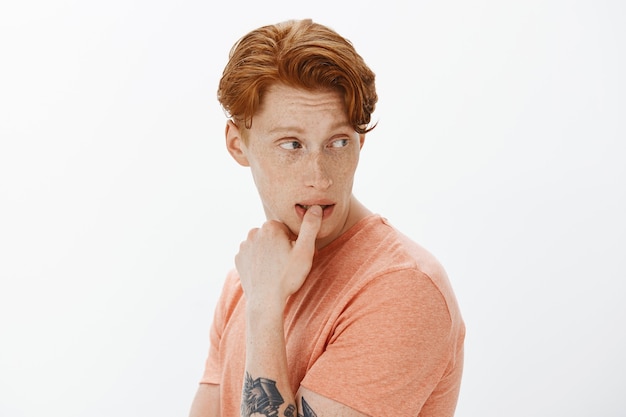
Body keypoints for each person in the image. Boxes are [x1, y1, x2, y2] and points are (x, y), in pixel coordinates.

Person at [189, 19, 465, 417]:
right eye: (292, 144)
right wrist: (261, 297)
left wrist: (265, 309)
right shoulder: (253, 274)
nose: (319, 175)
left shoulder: (402, 287)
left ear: (360, 141)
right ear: (238, 145)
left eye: (338, 142)